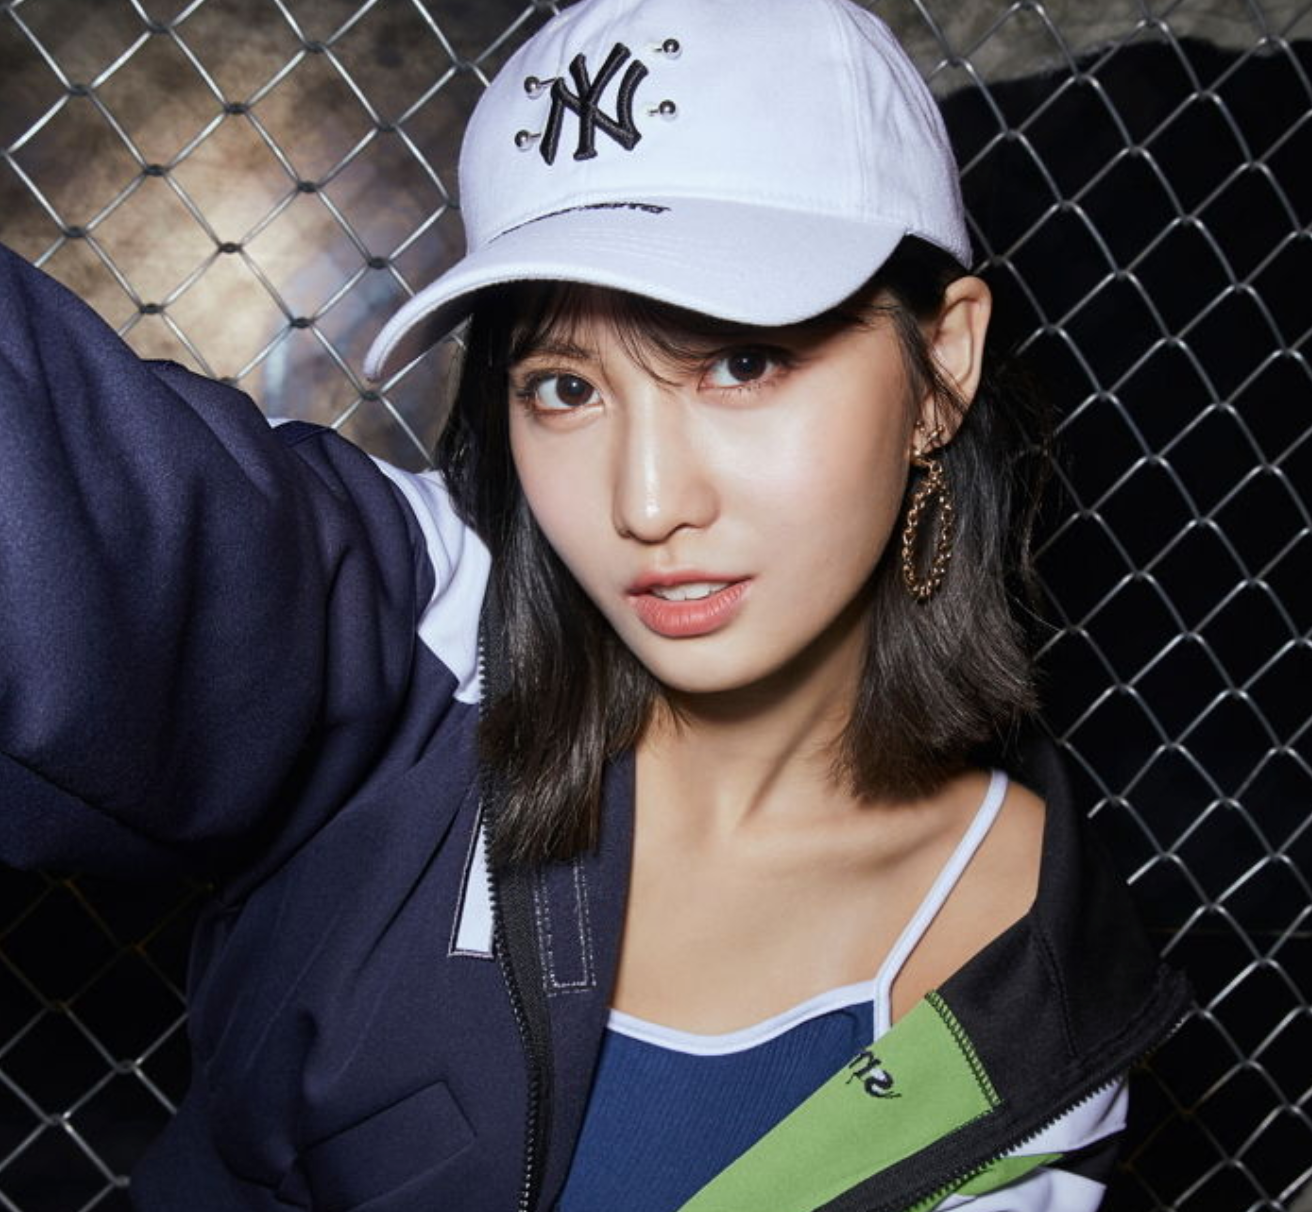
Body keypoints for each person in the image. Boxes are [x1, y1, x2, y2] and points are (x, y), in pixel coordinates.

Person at [0, 0, 1189, 1209]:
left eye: (741, 362)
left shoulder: (1034, 994)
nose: (648, 502)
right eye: (565, 387)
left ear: (942, 366)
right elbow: (92, 511)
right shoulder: (425, 630)